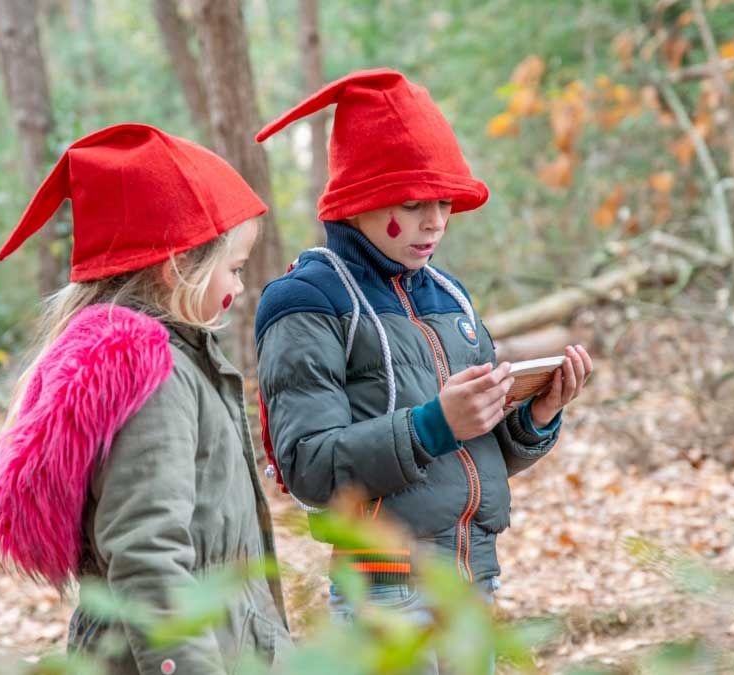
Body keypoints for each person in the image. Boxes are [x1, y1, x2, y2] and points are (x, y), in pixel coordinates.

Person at [253, 69, 592, 669]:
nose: (434, 221)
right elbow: (309, 466)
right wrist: (435, 424)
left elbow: (473, 454)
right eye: (412, 204)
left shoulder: (449, 296)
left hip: (472, 582)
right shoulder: (306, 301)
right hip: (384, 597)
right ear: (356, 201)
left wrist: (536, 417)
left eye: (444, 202)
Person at [0, 123, 290, 674]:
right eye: (234, 269)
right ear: (177, 269)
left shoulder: (181, 362)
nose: (239, 287)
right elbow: (147, 554)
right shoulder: (155, 379)